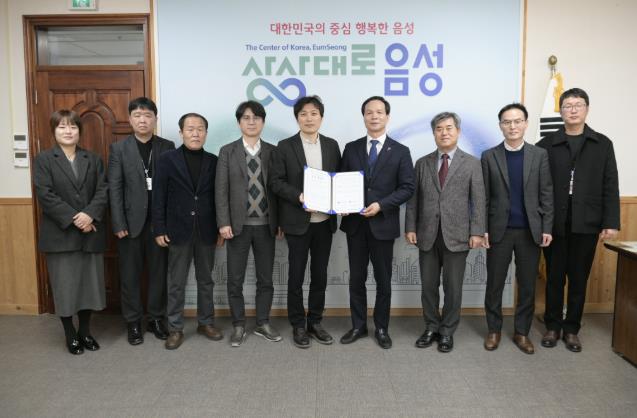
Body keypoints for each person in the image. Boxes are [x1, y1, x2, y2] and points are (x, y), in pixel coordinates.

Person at [537, 88, 620, 352]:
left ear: (587, 109)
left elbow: (610, 184)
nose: (573, 110)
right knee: (554, 277)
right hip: (554, 224)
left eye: (578, 105)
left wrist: (611, 221)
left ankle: (572, 329)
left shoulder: (602, 144)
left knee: (578, 277)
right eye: (567, 106)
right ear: (560, 111)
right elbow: (537, 187)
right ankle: (552, 325)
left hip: (587, 222)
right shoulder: (546, 145)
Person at [405, 111, 485, 353]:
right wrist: (410, 227)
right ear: (434, 133)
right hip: (427, 234)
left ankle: (447, 331)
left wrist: (477, 231)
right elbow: (413, 200)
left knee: (453, 287)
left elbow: (478, 201)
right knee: (428, 286)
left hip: (458, 235)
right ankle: (431, 326)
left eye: (449, 128)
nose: (444, 132)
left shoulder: (472, 163)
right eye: (439, 129)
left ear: (458, 131)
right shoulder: (422, 163)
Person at [339, 96, 415, 349]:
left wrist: (381, 205)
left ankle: (382, 327)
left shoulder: (401, 151)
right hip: (355, 225)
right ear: (364, 117)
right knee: (356, 279)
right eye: (369, 112)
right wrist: (340, 202)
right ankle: (358, 326)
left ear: (387, 117)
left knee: (383, 281)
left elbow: (407, 188)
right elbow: (340, 181)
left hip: (383, 224)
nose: (374, 116)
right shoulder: (351, 148)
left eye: (379, 112)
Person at [33, 110, 108, 355]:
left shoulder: (93, 159)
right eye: (62, 127)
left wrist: (90, 215)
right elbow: (45, 194)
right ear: (54, 131)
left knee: (89, 286)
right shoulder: (44, 160)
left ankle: (85, 331)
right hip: (60, 235)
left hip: (90, 232)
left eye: (73, 127)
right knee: (65, 287)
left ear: (79, 131)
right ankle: (70, 334)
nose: (68, 131)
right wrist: (77, 218)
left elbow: (103, 190)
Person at [481, 103, 554, 354]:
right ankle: (494, 330)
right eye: (507, 122)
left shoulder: (539, 155)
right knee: (494, 284)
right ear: (500, 126)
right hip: (498, 231)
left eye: (517, 121)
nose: (512, 126)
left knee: (527, 285)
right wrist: (483, 229)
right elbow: (483, 197)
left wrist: (546, 226)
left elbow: (546, 193)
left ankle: (522, 332)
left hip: (530, 231)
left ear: (525, 124)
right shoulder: (489, 156)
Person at [269, 95, 341, 348]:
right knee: (296, 276)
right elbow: (276, 182)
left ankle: (315, 321)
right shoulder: (284, 146)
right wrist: (300, 196)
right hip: (297, 222)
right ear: (297, 118)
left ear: (321, 117)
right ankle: (298, 324)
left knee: (320, 275)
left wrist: (343, 201)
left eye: (314, 114)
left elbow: (338, 180)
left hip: (324, 222)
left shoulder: (332, 145)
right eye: (303, 114)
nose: (309, 118)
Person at [108, 97, 174, 345]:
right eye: (137, 115)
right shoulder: (119, 149)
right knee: (130, 276)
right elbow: (114, 188)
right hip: (129, 224)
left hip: (159, 225)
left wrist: (168, 223)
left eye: (147, 115)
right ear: (130, 119)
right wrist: (118, 223)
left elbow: (172, 187)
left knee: (159, 275)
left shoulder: (167, 146)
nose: (143, 120)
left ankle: (156, 319)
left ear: (155, 119)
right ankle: (133, 322)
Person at [153, 112, 222, 350]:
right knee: (176, 282)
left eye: (200, 129)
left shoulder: (214, 161)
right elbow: (158, 196)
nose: (195, 133)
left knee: (206, 281)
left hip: (207, 230)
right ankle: (175, 328)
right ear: (181, 132)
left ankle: (206, 323)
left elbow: (218, 198)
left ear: (206, 133)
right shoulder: (167, 160)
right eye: (190, 129)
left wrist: (220, 228)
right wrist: (159, 228)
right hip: (177, 230)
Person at [216, 101, 282, 347]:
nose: (251, 122)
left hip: (266, 226)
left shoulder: (273, 151)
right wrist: (223, 222)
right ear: (239, 122)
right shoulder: (227, 151)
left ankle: (263, 322)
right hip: (237, 227)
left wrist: (280, 221)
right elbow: (220, 190)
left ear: (263, 122)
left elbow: (278, 190)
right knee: (235, 279)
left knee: (266, 279)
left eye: (256, 118)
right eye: (246, 117)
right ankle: (238, 325)